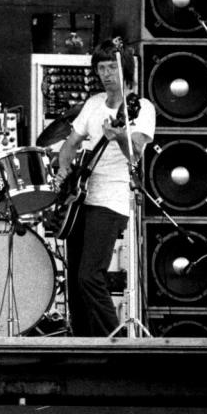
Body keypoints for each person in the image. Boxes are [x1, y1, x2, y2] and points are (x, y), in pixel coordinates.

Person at [55, 38, 155, 337]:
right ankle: (83, 340)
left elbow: (135, 154)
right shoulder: (93, 103)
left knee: (90, 274)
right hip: (81, 196)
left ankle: (112, 338)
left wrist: (120, 136)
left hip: (112, 197)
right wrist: (63, 167)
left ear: (125, 68)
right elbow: (70, 144)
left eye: (112, 66)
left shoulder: (142, 107)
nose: (106, 74)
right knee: (74, 276)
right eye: (101, 67)